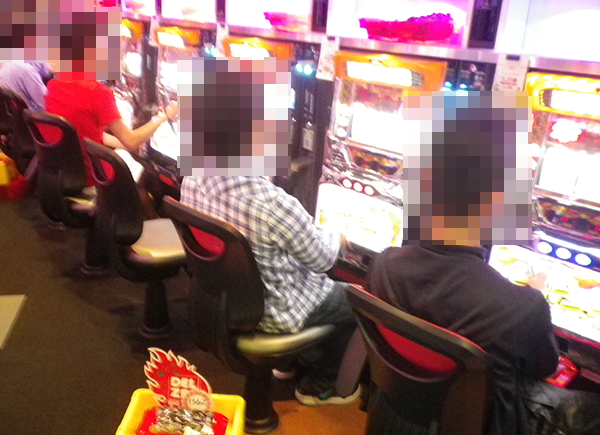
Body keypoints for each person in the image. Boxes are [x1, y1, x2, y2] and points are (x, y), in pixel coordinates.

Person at [365, 92, 600, 435]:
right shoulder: (523, 307)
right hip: (488, 421)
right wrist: (532, 294)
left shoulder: (386, 264)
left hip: (403, 409)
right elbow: (544, 368)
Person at [179, 57, 360, 406]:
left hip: (224, 299)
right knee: (356, 298)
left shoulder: (192, 179)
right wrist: (335, 233)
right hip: (277, 310)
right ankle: (320, 384)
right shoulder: (273, 204)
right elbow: (322, 260)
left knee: (288, 262)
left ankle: (288, 363)